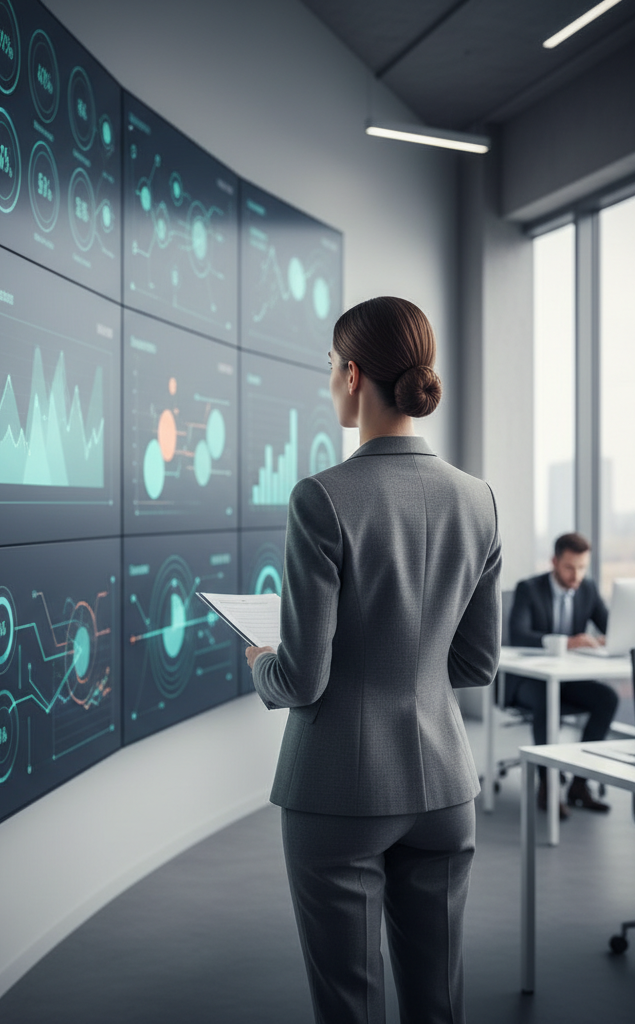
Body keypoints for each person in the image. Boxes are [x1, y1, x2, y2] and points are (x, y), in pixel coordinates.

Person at [245, 296, 501, 1024]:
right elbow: (477, 661)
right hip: (446, 787)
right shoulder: (478, 499)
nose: (330, 380)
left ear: (353, 374)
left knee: (349, 1005)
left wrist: (262, 658)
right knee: (438, 1002)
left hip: (340, 789)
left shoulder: (323, 499)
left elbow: (303, 678)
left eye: (330, 366)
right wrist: (407, 662)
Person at [507, 533, 618, 818]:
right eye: (570, 567)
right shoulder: (529, 589)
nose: (576, 575)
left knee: (607, 699)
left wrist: (610, 638)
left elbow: (611, 627)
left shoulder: (588, 589)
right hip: (527, 681)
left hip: (566, 680)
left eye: (582, 568)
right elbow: (518, 634)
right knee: (546, 698)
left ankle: (579, 784)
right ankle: (548, 783)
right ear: (555, 562)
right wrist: (567, 642)